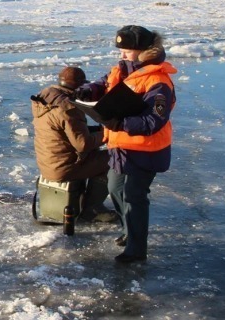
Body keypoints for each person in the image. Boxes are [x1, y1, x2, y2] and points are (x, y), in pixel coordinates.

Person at [74, 25, 177, 263]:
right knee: (115, 188)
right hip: (120, 146)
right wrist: (89, 91)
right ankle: (129, 231)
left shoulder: (158, 81)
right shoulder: (123, 69)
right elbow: (104, 83)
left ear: (143, 51)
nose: (122, 54)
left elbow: (154, 120)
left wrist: (120, 123)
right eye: (120, 50)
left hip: (145, 150)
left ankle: (137, 248)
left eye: (127, 50)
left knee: (134, 196)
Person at [31, 66, 117, 222]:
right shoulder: (68, 108)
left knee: (97, 150)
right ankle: (92, 209)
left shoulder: (45, 98)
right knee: (114, 158)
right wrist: (109, 132)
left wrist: (93, 131)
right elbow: (82, 144)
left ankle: (84, 197)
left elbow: (61, 131)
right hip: (64, 167)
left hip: (48, 163)